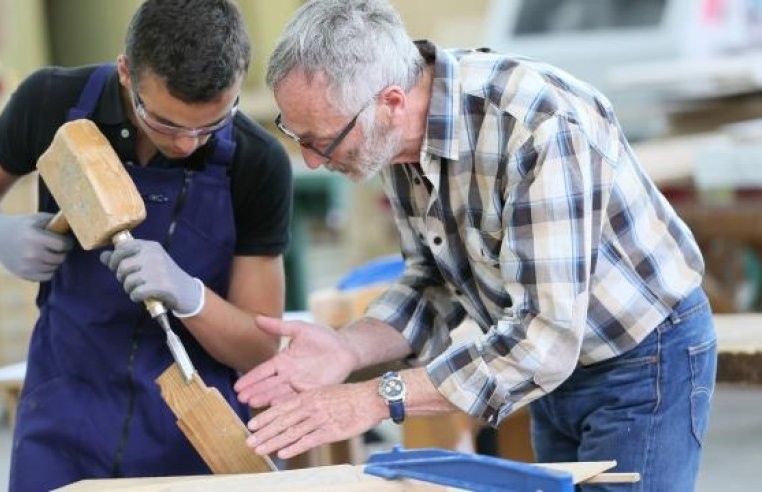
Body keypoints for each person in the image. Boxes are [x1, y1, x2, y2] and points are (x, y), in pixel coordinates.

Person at [234, 1, 716, 490]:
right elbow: (432, 281)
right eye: (297, 137)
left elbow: (542, 341)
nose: (312, 161)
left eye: (320, 141)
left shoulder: (537, 126)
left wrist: (375, 398)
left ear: (392, 103)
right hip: (552, 367)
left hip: (642, 356)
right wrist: (348, 347)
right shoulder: (393, 137)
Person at [0, 0, 292, 489]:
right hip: (64, 413)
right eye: (166, 123)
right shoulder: (53, 102)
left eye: (211, 124)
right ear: (126, 72)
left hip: (189, 427)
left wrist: (191, 297)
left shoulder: (256, 162)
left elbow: (259, 348)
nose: (187, 143)